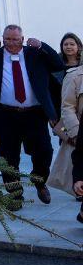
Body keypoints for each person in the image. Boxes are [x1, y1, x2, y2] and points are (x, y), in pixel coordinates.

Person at [0, 24, 64, 207]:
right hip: (4, 114)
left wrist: (42, 46)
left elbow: (58, 64)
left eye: (15, 39)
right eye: (7, 39)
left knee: (44, 151)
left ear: (23, 39)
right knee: (8, 157)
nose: (10, 43)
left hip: (34, 114)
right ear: (2, 39)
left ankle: (39, 181)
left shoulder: (35, 54)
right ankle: (15, 194)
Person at [49, 32, 81, 220]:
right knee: (71, 153)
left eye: (72, 44)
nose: (68, 47)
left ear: (78, 46)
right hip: (69, 119)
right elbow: (59, 97)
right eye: (65, 44)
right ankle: (76, 185)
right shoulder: (58, 68)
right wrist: (53, 116)